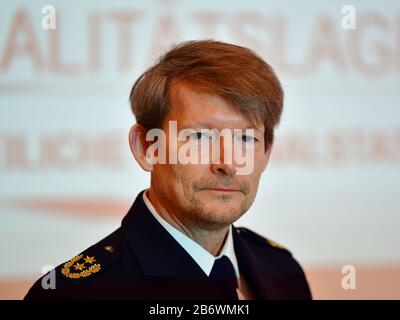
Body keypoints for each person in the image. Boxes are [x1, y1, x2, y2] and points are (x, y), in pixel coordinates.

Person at [25, 40, 312, 300]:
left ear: (267, 153)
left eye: (246, 139)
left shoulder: (283, 271)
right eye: (199, 137)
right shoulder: (74, 296)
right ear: (147, 148)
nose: (228, 164)